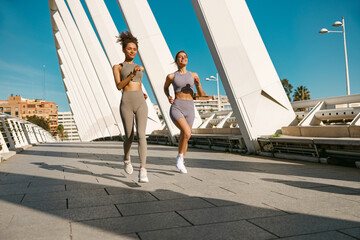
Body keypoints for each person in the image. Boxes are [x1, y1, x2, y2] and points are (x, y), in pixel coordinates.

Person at [112, 31, 149, 183]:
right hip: (126, 102)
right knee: (129, 136)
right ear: (123, 50)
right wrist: (131, 75)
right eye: (129, 49)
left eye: (134, 49)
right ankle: (127, 158)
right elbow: (119, 86)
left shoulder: (140, 67)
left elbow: (139, 85)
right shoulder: (118, 67)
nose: (132, 51)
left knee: (141, 134)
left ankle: (143, 169)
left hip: (140, 100)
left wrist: (144, 94)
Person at [164, 50, 206, 173]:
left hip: (190, 108)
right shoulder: (171, 76)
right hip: (177, 106)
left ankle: (181, 160)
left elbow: (201, 95)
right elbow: (165, 87)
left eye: (185, 57)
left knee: (185, 136)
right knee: (187, 133)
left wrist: (198, 85)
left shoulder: (193, 75)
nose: (183, 59)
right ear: (176, 60)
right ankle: (179, 158)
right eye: (180, 57)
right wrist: (168, 96)